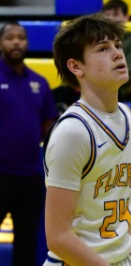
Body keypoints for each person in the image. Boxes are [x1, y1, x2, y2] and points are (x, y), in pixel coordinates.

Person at [44, 13, 131, 265]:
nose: (118, 54)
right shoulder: (73, 131)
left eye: (118, 46)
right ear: (76, 66)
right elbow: (58, 237)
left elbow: (122, 224)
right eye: (103, 49)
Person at [0, 21, 57, 266]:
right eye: (10, 37)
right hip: (0, 174)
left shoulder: (40, 83)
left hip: (30, 177)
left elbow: (49, 124)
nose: (16, 42)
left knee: (27, 242)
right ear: (0, 43)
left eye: (21, 37)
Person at [103, 0, 131, 99]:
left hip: (115, 90)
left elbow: (128, 71)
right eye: (107, 15)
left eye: (115, 14)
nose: (110, 19)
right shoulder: (96, 41)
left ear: (126, 17)